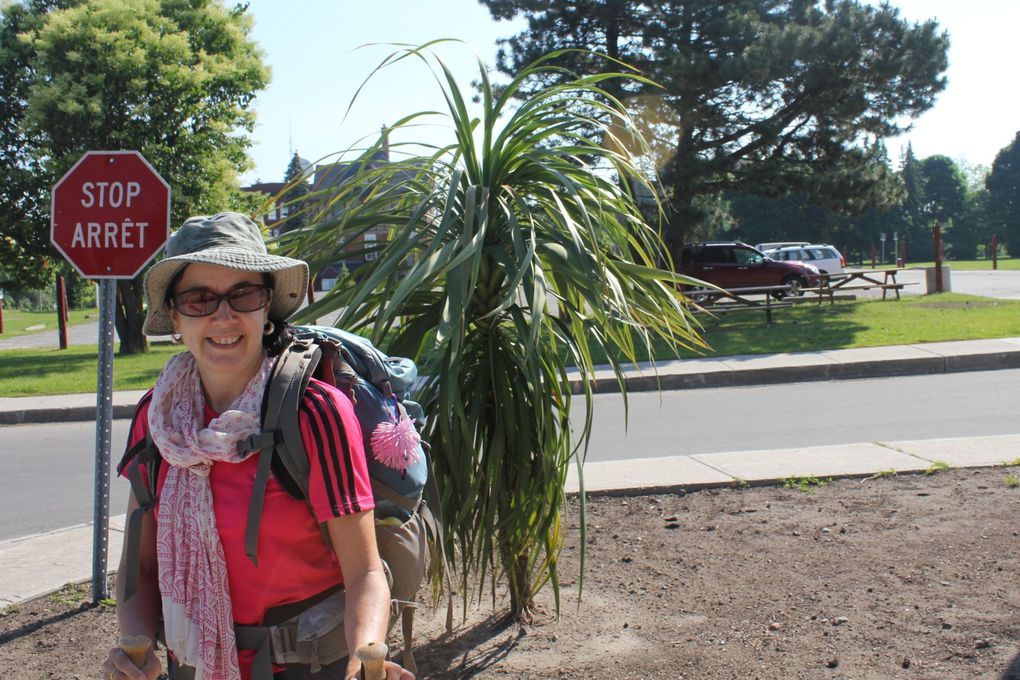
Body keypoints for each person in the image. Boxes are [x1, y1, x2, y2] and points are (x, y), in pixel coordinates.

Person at [102, 212, 413, 680]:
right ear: (174, 316)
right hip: (194, 662)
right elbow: (139, 568)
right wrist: (136, 646)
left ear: (267, 308)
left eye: (243, 294)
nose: (223, 316)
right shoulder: (158, 418)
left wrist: (364, 655)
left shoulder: (314, 411)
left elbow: (364, 572)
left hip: (311, 667)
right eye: (198, 298)